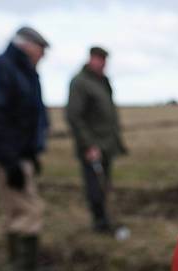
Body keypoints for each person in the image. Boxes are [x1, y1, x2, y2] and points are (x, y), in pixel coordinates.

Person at [0, 26, 61, 271]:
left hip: (19, 154)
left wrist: (31, 154)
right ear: (27, 45)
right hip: (6, 156)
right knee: (28, 211)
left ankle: (20, 265)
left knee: (16, 211)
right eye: (41, 50)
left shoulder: (25, 73)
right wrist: (9, 161)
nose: (43, 56)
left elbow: (29, 117)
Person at [66, 46, 127, 233]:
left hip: (106, 144)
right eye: (99, 59)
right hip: (93, 147)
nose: (102, 63)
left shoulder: (101, 81)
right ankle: (100, 223)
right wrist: (88, 145)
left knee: (104, 185)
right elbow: (74, 116)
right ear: (91, 59)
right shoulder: (80, 82)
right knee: (95, 186)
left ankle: (105, 219)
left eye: (104, 60)